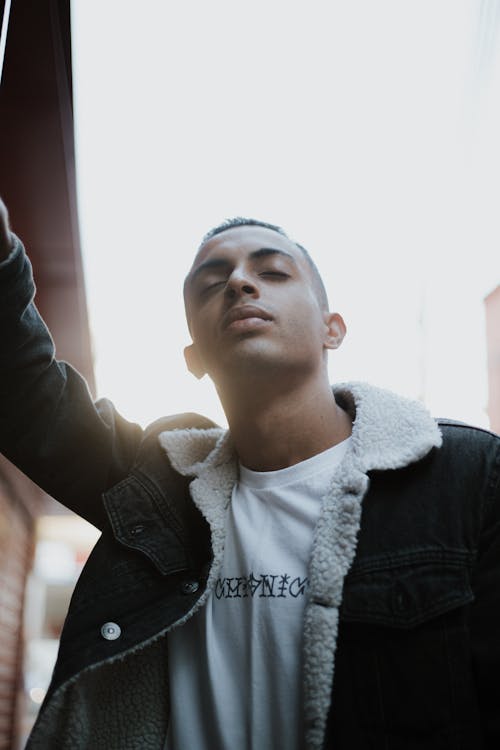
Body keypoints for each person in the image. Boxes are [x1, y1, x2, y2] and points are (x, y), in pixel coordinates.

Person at [0, 195, 499, 750]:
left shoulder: (465, 475)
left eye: (272, 271)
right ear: (194, 357)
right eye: (211, 282)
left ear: (332, 328)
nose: (239, 282)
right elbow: (26, 393)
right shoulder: (159, 486)